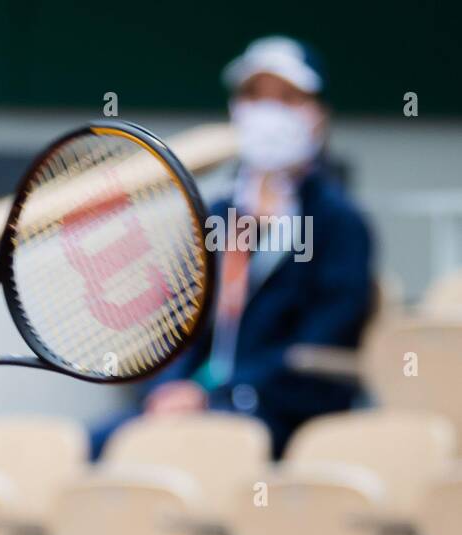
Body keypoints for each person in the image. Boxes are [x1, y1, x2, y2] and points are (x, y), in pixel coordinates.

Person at [91, 36, 374, 459]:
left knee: (197, 455)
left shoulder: (339, 223)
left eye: (288, 97)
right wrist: (169, 390)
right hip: (192, 408)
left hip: (278, 418)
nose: (268, 111)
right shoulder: (219, 214)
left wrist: (225, 394)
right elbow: (175, 325)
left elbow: (320, 348)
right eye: (254, 96)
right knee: (98, 446)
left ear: (319, 114)